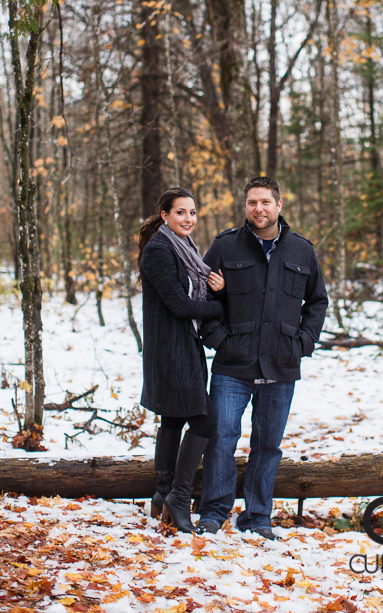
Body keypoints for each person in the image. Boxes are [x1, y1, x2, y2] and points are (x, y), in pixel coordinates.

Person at [196, 176, 329, 539]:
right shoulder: (225, 246)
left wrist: (302, 343)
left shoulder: (302, 250)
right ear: (246, 206)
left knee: (267, 445)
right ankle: (213, 512)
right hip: (232, 365)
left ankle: (257, 517)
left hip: (281, 364)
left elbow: (317, 302)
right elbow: (203, 297)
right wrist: (219, 340)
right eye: (252, 202)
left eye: (266, 202)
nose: (259, 209)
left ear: (279, 205)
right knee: (222, 437)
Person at [138, 187, 226, 533]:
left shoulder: (183, 247)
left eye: (192, 212)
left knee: (173, 420)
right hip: (171, 351)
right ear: (165, 216)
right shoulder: (161, 250)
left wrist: (214, 287)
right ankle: (178, 495)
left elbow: (190, 294)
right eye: (180, 212)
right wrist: (219, 306)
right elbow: (181, 305)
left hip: (178, 346)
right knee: (204, 422)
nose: (188, 219)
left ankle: (162, 495)